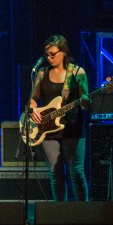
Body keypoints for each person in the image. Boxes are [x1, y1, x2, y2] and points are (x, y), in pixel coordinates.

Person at [26, 34, 90, 201]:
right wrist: (35, 110)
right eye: (47, 55)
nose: (49, 57)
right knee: (55, 173)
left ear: (63, 52)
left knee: (76, 173)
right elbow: (33, 100)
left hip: (73, 129)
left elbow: (85, 104)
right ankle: (60, 214)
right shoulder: (41, 73)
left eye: (53, 54)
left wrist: (85, 102)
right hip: (47, 130)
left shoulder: (77, 72)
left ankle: (85, 213)